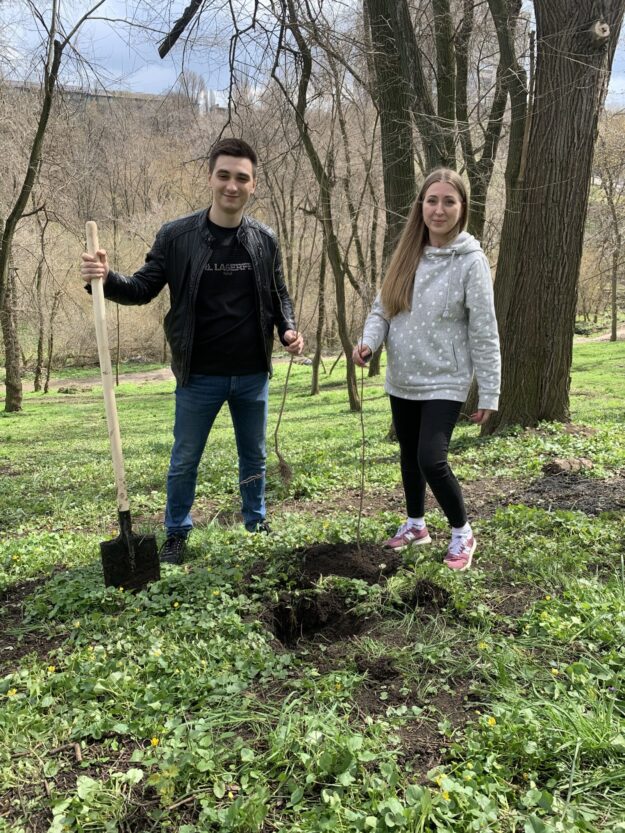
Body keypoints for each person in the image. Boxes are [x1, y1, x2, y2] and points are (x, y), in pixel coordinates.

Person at [81, 137, 303, 564]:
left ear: (253, 185)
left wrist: (288, 329)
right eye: (224, 176)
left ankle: (255, 522)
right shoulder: (177, 236)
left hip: (252, 372)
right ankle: (177, 532)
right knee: (185, 459)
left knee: (253, 455)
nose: (232, 186)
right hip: (198, 374)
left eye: (242, 178)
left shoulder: (265, 240)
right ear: (210, 178)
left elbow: (279, 296)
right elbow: (143, 289)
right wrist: (106, 278)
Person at [352, 168, 500, 571]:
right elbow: (382, 310)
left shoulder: (471, 261)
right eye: (432, 201)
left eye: (449, 201)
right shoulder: (406, 254)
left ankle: (462, 532)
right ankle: (416, 525)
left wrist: (489, 392)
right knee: (408, 454)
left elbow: (485, 330)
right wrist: (368, 342)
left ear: (462, 208)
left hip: (446, 379)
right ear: (421, 206)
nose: (439, 209)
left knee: (431, 458)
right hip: (403, 377)